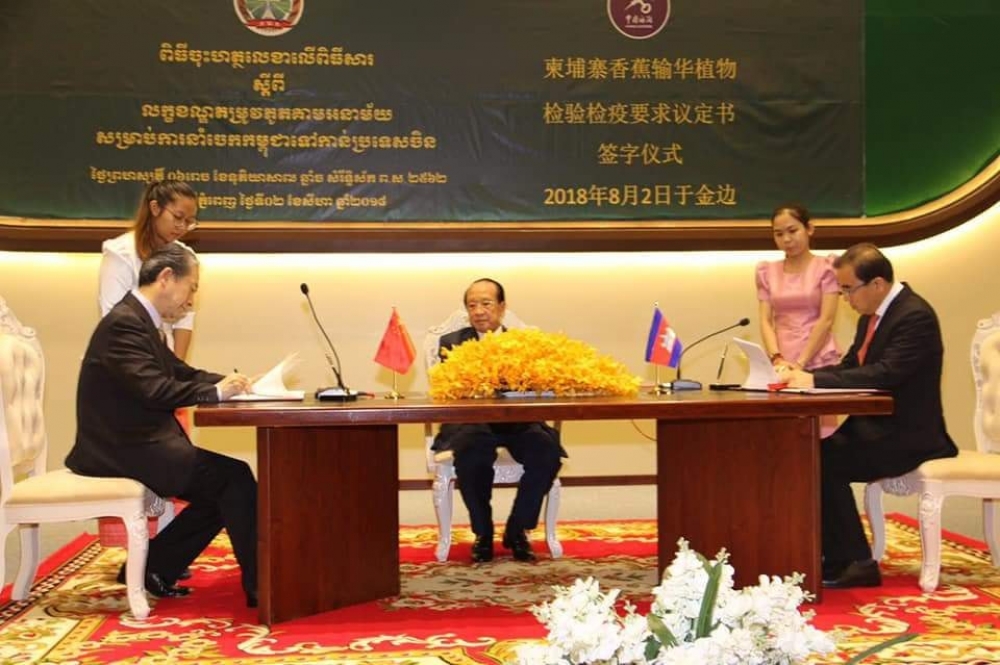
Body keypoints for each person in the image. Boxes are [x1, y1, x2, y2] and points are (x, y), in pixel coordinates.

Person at [66, 244, 259, 607]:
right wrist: (217, 392)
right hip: (121, 448)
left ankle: (154, 567)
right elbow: (155, 390)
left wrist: (234, 383)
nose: (191, 300)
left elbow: (180, 373)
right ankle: (262, 586)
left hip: (135, 441)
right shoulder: (125, 324)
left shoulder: (137, 319)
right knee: (234, 480)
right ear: (167, 278)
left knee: (226, 485)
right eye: (192, 288)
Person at [784, 243, 958, 589]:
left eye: (849, 289)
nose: (846, 298)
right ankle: (834, 557)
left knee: (824, 461)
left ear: (877, 284)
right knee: (809, 454)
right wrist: (801, 377)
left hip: (909, 435)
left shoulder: (915, 316)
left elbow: (885, 373)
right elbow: (852, 365)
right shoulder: (873, 316)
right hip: (875, 428)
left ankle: (857, 563)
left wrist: (814, 382)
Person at [432, 278, 564, 563]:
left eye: (486, 304)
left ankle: (517, 530)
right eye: (472, 305)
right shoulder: (452, 343)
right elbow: (450, 390)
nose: (479, 311)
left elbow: (538, 384)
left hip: (518, 421)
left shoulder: (524, 344)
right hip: (473, 422)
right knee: (471, 454)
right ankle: (483, 533)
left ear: (502, 307)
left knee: (547, 452)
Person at [98, 180, 199, 360]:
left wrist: (177, 368)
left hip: (164, 356)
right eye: (178, 217)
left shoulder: (185, 256)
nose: (182, 227)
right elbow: (114, 318)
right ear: (155, 208)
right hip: (126, 354)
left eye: (189, 222)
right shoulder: (120, 254)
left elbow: (185, 316)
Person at [756, 205, 840, 372]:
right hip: (782, 362)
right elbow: (765, 320)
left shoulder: (827, 267)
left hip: (819, 358)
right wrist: (776, 357)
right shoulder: (766, 271)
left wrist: (800, 363)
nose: (786, 239)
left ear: (809, 229)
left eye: (792, 231)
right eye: (779, 234)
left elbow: (826, 319)